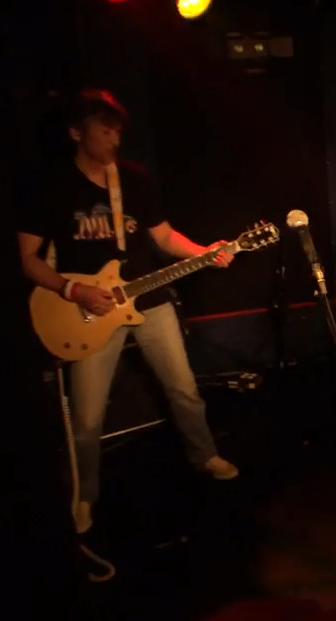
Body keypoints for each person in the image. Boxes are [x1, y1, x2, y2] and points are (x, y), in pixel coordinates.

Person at [16, 89, 239, 537]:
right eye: (104, 131)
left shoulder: (134, 179)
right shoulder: (50, 185)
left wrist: (206, 252)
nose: (114, 140)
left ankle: (205, 455)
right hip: (89, 310)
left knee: (184, 390)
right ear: (76, 133)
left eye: (117, 131)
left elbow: (164, 237)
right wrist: (75, 290)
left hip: (147, 301)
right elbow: (28, 260)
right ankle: (84, 494)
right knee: (86, 419)